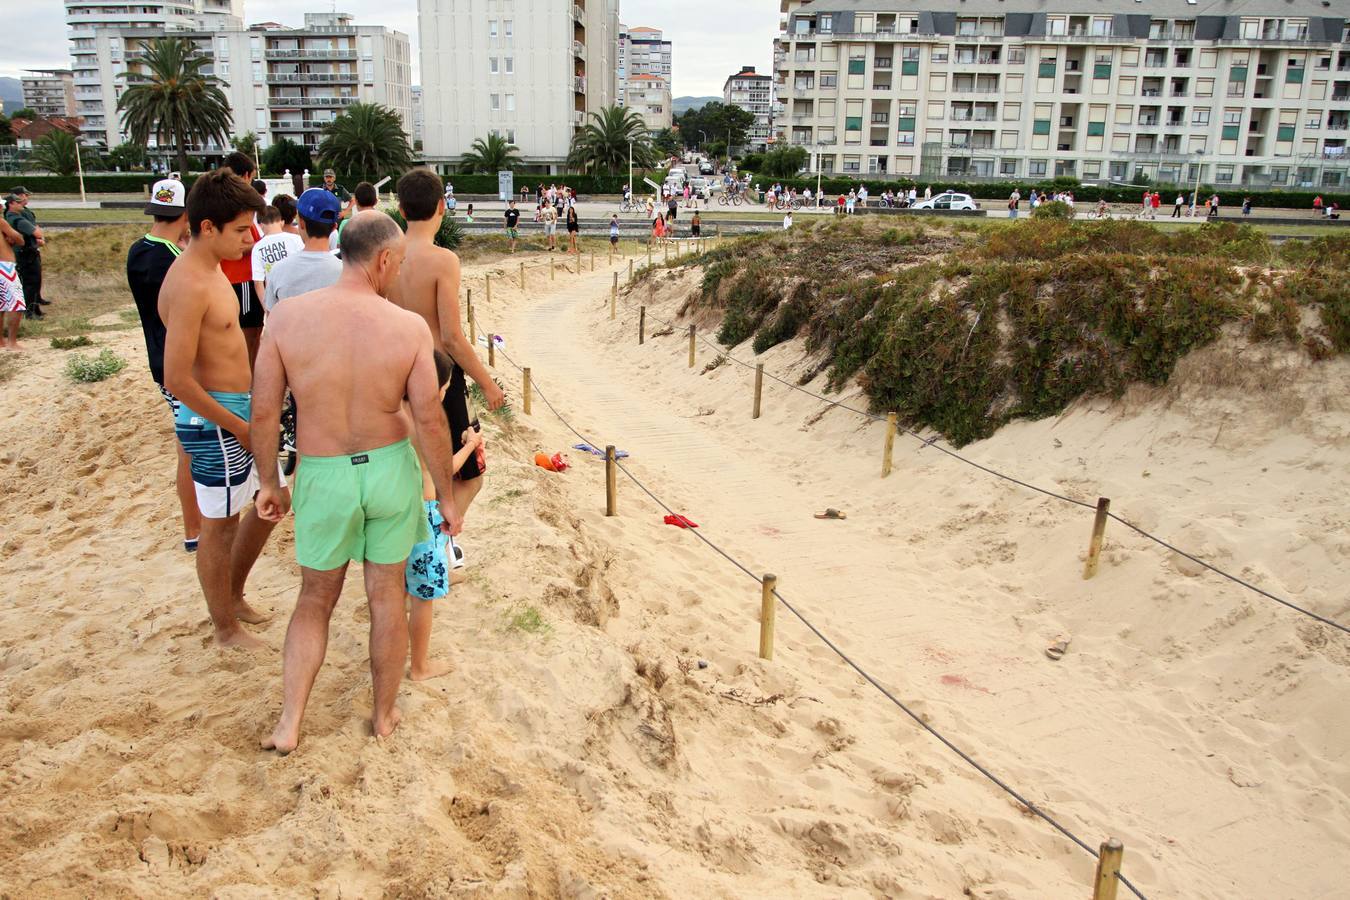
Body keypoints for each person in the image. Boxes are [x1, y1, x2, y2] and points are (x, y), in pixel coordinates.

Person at [252, 211, 462, 752]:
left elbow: (264, 413)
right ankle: (383, 715)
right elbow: (431, 419)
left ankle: (290, 722)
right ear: (384, 259)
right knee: (386, 596)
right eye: (397, 264)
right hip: (389, 469)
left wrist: (271, 483)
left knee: (315, 598)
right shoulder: (407, 327)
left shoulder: (286, 319)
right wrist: (448, 495)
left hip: (323, 471)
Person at [159, 169, 285, 650]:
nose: (250, 239)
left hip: (236, 411)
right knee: (219, 525)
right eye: (240, 230)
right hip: (215, 420)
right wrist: (236, 424)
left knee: (273, 500)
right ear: (206, 226)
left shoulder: (209, 270)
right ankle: (224, 627)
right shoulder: (190, 283)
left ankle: (232, 595)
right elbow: (176, 378)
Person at [389, 169, 505, 545]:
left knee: (417, 469)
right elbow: (452, 336)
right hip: (439, 377)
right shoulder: (443, 260)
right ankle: (438, 545)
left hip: (395, 376)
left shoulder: (388, 256)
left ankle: (425, 542)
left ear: (402, 209)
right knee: (470, 475)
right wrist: (486, 382)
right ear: (442, 206)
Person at [126, 177, 200, 549]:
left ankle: (194, 528)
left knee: (184, 446)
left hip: (157, 357)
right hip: (180, 364)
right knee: (189, 450)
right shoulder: (175, 261)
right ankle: (195, 531)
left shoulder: (138, 250)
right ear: (186, 215)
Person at [404, 350, 483, 681]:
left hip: (394, 509)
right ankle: (420, 667)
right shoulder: (426, 419)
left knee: (396, 589)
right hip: (424, 513)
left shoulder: (394, 411)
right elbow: (441, 470)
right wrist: (471, 444)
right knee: (424, 597)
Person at [218, 152, 265, 368]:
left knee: (251, 333)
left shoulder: (225, 202)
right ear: (246, 176)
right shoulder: (234, 206)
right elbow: (235, 245)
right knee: (249, 334)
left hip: (238, 277)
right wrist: (262, 246)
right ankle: (248, 382)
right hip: (241, 278)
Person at [264, 189, 343, 312]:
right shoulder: (346, 273)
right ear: (334, 227)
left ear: (301, 223)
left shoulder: (279, 270)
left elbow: (271, 319)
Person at [3, 193, 44, 320]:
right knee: (31, 283)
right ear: (11, 204)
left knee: (32, 282)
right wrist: (37, 234)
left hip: (24, 253)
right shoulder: (16, 219)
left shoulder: (9, 217)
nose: (21, 203)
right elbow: (36, 232)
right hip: (26, 254)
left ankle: (34, 309)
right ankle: (30, 312)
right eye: (17, 202)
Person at [250, 205, 304, 302]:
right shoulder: (296, 239)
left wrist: (266, 307)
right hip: (299, 294)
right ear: (281, 222)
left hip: (275, 299)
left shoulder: (258, 248)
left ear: (260, 224)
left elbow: (258, 283)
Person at [1, 215, 26, 349]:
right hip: (4, 266)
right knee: (16, 304)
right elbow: (20, 240)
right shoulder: (1, 222)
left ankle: (1, 341)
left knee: (1, 305)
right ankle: (12, 342)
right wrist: (11, 239)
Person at [334, 181, 378, 251]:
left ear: (356, 202)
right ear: (376, 201)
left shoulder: (346, 224)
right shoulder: (387, 223)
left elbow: (339, 249)